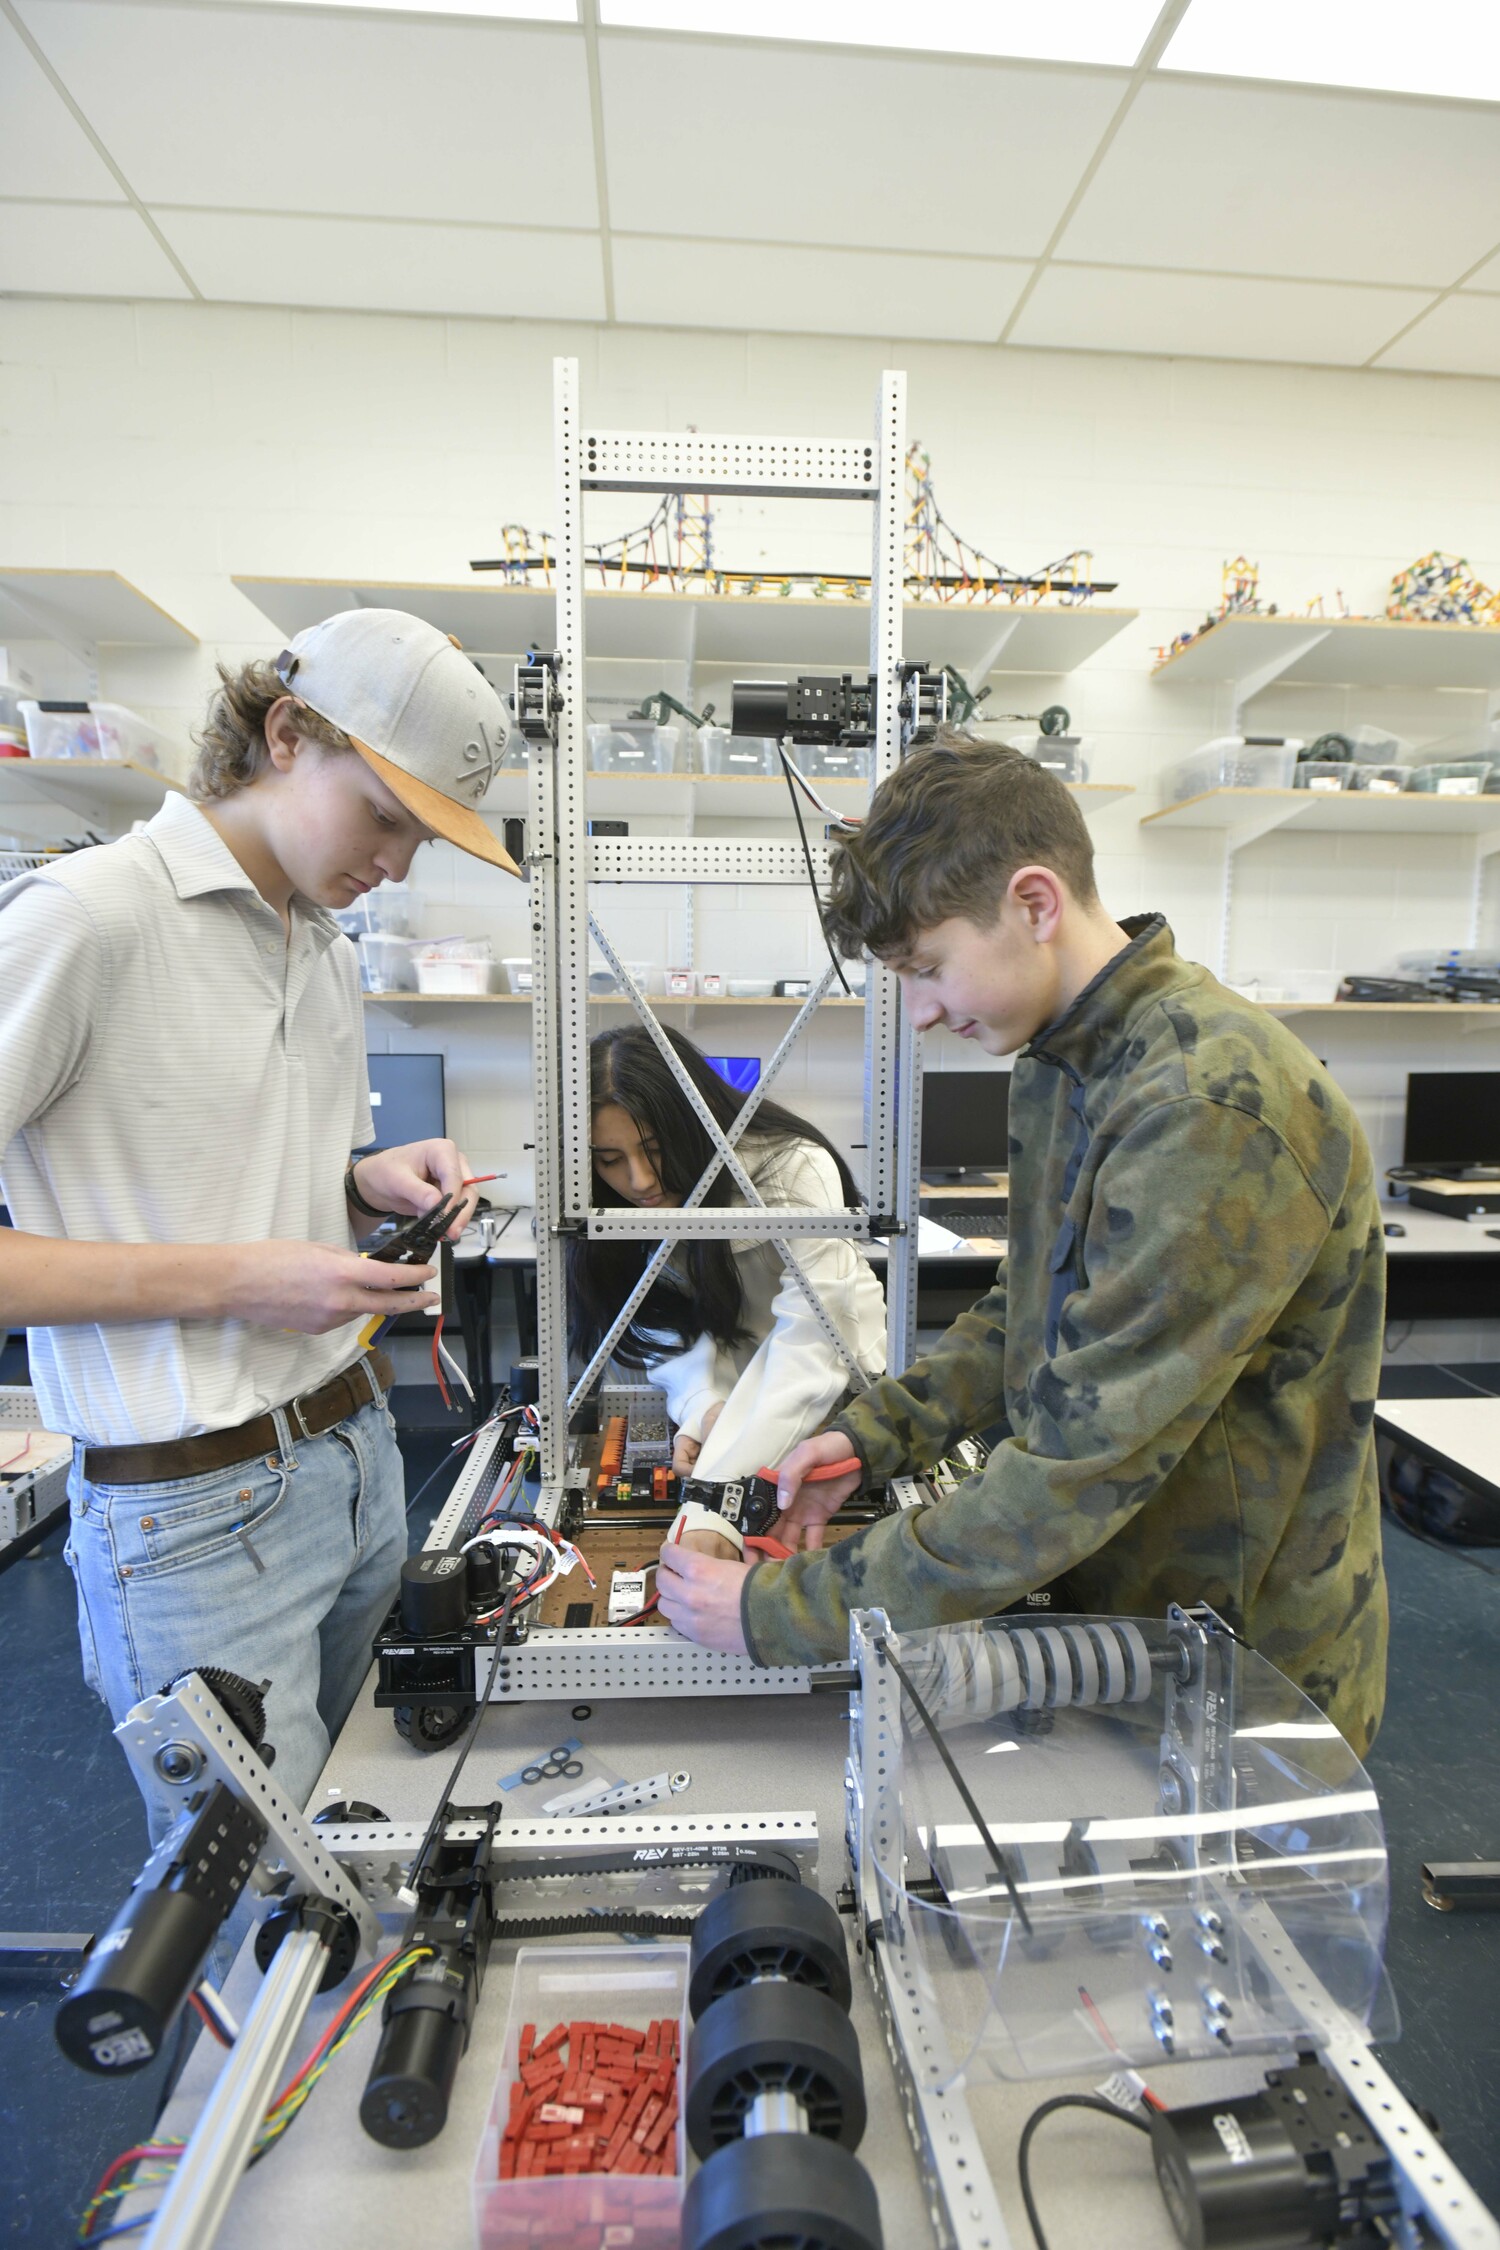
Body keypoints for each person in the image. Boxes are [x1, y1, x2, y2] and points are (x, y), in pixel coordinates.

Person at [655, 734, 1388, 1755]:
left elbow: (1081, 1458)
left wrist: (780, 1611)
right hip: (1119, 1621)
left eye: (928, 969)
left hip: (1234, 1664)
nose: (920, 1011)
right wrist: (876, 1438)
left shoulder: (1203, 1105)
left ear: (1035, 904)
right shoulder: (1068, 1061)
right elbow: (1026, 1313)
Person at [0, 608, 520, 1819]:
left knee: (379, 1832)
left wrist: (366, 1179)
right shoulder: (86, 920)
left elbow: (254, 1163)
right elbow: (235, 1254)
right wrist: (246, 1280)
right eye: (384, 815)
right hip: (190, 1513)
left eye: (422, 838)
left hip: (355, 1456)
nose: (396, 863)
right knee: (259, 1922)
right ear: (287, 732)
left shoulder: (322, 947)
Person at [570, 1025, 885, 1487]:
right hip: (728, 1400)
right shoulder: (609, 1200)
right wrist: (703, 1407)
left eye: (654, 1150)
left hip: (834, 1391)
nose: (639, 1182)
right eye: (610, 1159)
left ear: (696, 1123)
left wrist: (727, 1473)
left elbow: (813, 1337)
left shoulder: (794, 1167)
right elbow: (657, 1313)